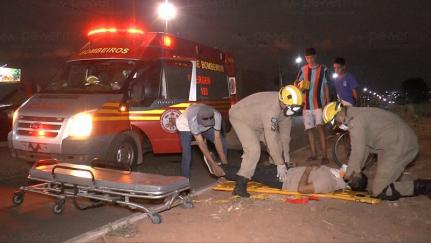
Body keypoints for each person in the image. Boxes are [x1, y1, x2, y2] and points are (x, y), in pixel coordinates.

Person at [322, 102, 431, 200]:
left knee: (380, 190)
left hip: (400, 145)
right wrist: (355, 171)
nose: (338, 126)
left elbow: (357, 151)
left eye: (335, 122)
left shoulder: (355, 121)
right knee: (381, 179)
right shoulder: (356, 114)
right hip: (392, 143)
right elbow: (364, 148)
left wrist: (347, 176)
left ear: (339, 115)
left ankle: (425, 186)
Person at [228, 85, 303, 197]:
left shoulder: (286, 108)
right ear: (283, 102)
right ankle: (240, 186)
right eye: (291, 107)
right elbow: (271, 138)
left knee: (278, 142)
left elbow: (285, 138)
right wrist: (280, 163)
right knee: (253, 150)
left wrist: (285, 161)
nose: (292, 110)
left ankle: (275, 173)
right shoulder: (271, 110)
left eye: (295, 108)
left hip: (257, 119)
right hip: (241, 117)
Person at [296, 47, 330, 164]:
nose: (309, 60)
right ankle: (314, 154)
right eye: (307, 58)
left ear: (315, 56)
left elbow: (326, 86)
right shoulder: (303, 69)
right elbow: (296, 84)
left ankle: (325, 156)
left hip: (319, 104)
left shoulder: (323, 69)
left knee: (320, 128)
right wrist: (300, 86)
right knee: (309, 130)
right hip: (306, 105)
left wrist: (328, 102)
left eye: (310, 57)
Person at [176, 104, 228, 178]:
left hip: (201, 122)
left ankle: (224, 172)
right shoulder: (192, 119)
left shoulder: (217, 116)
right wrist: (213, 164)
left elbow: (217, 139)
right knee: (187, 155)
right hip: (185, 126)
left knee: (223, 143)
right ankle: (185, 182)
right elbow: (201, 143)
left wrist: (225, 165)